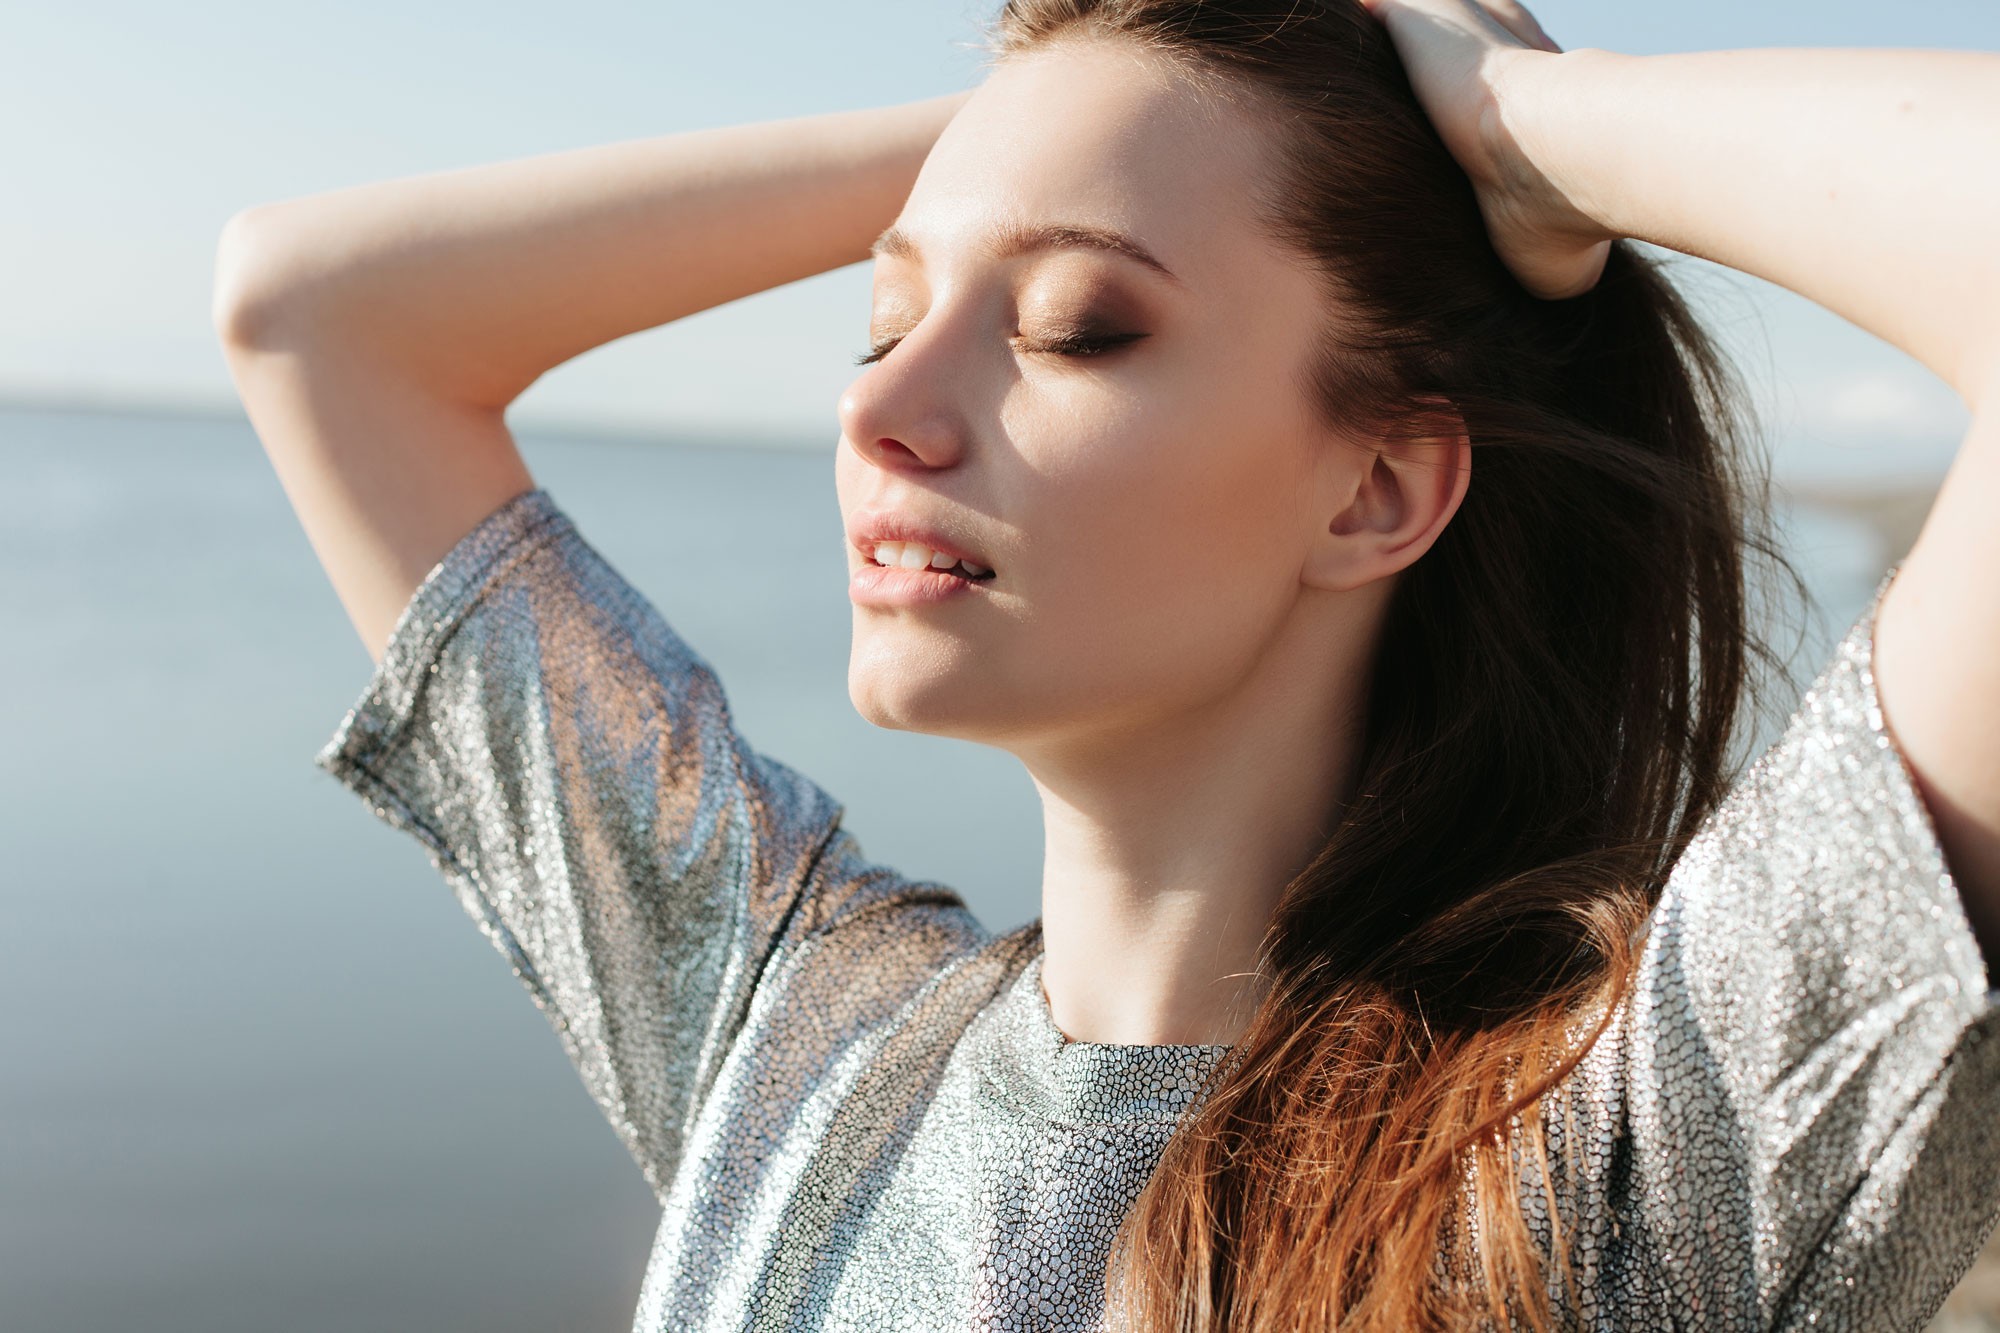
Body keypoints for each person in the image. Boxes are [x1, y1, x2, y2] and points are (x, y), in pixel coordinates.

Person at [211, 0, 2000, 1327]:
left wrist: (1535, 125)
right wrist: (1034, 127)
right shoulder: (797, 1042)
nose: (882, 409)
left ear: (1377, 486)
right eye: (885, 316)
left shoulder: (1620, 1156)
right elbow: (314, 315)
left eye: (1078, 325)